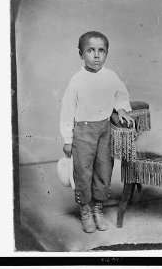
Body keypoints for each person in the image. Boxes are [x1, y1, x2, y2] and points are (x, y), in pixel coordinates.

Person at [60, 31, 135, 233]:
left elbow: (120, 94)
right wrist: (68, 139)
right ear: (81, 54)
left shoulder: (111, 76)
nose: (96, 55)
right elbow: (67, 111)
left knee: (104, 169)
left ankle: (98, 208)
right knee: (83, 171)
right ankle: (85, 210)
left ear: (107, 53)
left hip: (105, 129)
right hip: (83, 131)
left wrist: (120, 108)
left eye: (101, 51)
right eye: (90, 50)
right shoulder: (76, 80)